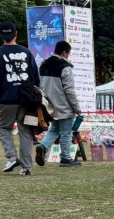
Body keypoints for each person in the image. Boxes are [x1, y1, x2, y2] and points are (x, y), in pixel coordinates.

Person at [0, 21, 40, 175]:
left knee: (3, 128)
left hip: (6, 99)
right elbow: (35, 77)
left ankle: (11, 157)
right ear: (16, 34)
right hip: (27, 100)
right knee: (26, 131)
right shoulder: (27, 53)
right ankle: (26, 167)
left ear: (0, 35)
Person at [35, 40, 82, 168]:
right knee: (66, 132)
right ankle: (65, 158)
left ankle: (43, 147)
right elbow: (69, 90)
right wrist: (76, 107)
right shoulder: (65, 67)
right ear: (64, 53)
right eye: (68, 53)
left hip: (49, 105)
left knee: (54, 129)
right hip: (64, 105)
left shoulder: (43, 65)